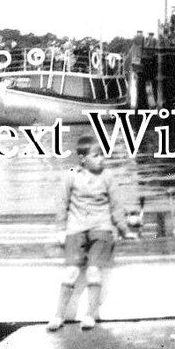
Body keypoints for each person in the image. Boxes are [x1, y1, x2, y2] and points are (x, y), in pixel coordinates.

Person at [48, 136, 133, 330]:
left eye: (102, 155)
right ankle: (58, 316)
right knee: (71, 272)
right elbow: (62, 204)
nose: (101, 159)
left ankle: (89, 315)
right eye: (96, 155)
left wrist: (124, 230)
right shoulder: (70, 174)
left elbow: (116, 206)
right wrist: (61, 229)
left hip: (101, 229)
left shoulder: (108, 176)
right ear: (82, 159)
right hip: (76, 229)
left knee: (94, 272)